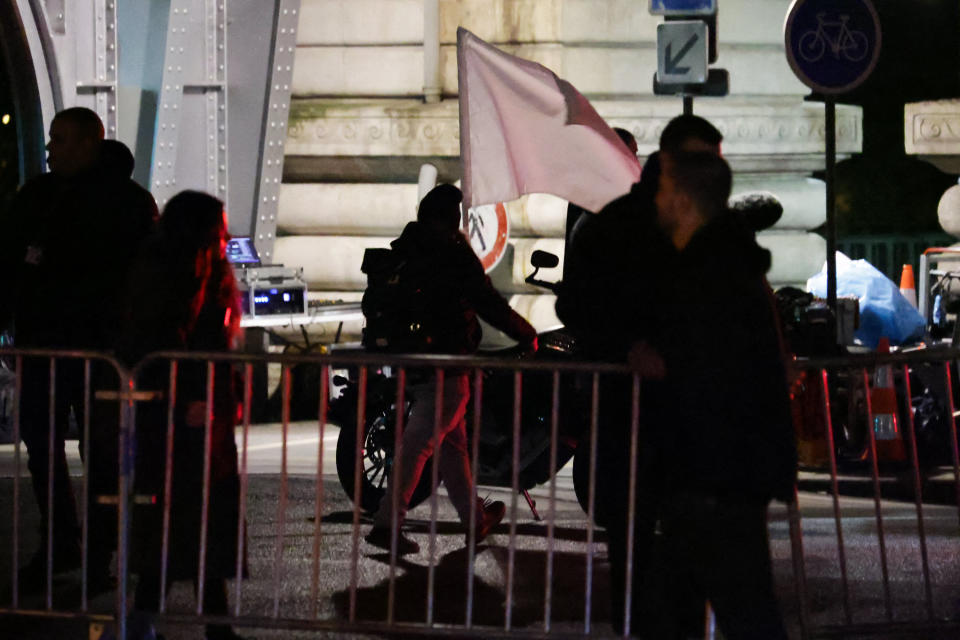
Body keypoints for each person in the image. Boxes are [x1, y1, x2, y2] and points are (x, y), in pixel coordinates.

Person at [553, 114, 723, 633]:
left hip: (683, 410)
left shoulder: (701, 223)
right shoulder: (611, 224)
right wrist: (627, 348)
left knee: (683, 539)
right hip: (632, 409)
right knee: (636, 538)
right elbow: (576, 304)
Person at [630, 151, 796, 638]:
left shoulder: (711, 270)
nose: (653, 201)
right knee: (689, 609)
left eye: (660, 191)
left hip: (716, 478)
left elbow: (715, 365)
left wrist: (656, 362)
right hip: (711, 477)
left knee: (745, 612)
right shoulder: (718, 262)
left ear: (682, 200)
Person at [0, 107, 157, 590]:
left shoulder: (114, 203)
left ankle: (90, 550)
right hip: (55, 347)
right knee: (48, 449)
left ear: (90, 143)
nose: (50, 149)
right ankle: (70, 544)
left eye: (60, 140)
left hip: (93, 349)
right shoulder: (47, 196)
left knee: (97, 451)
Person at [364, 183, 538, 555]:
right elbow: (487, 301)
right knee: (418, 446)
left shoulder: (407, 248)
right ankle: (387, 522)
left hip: (414, 362)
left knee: (452, 445)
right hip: (449, 364)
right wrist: (525, 333)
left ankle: (474, 520)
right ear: (451, 217)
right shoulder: (453, 252)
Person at [117, 190, 245, 640]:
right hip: (183, 416)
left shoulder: (193, 271)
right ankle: (186, 620)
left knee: (191, 518)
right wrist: (184, 396)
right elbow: (166, 341)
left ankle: (184, 619)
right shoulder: (178, 275)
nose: (226, 233)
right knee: (186, 516)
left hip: (197, 413)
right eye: (220, 225)